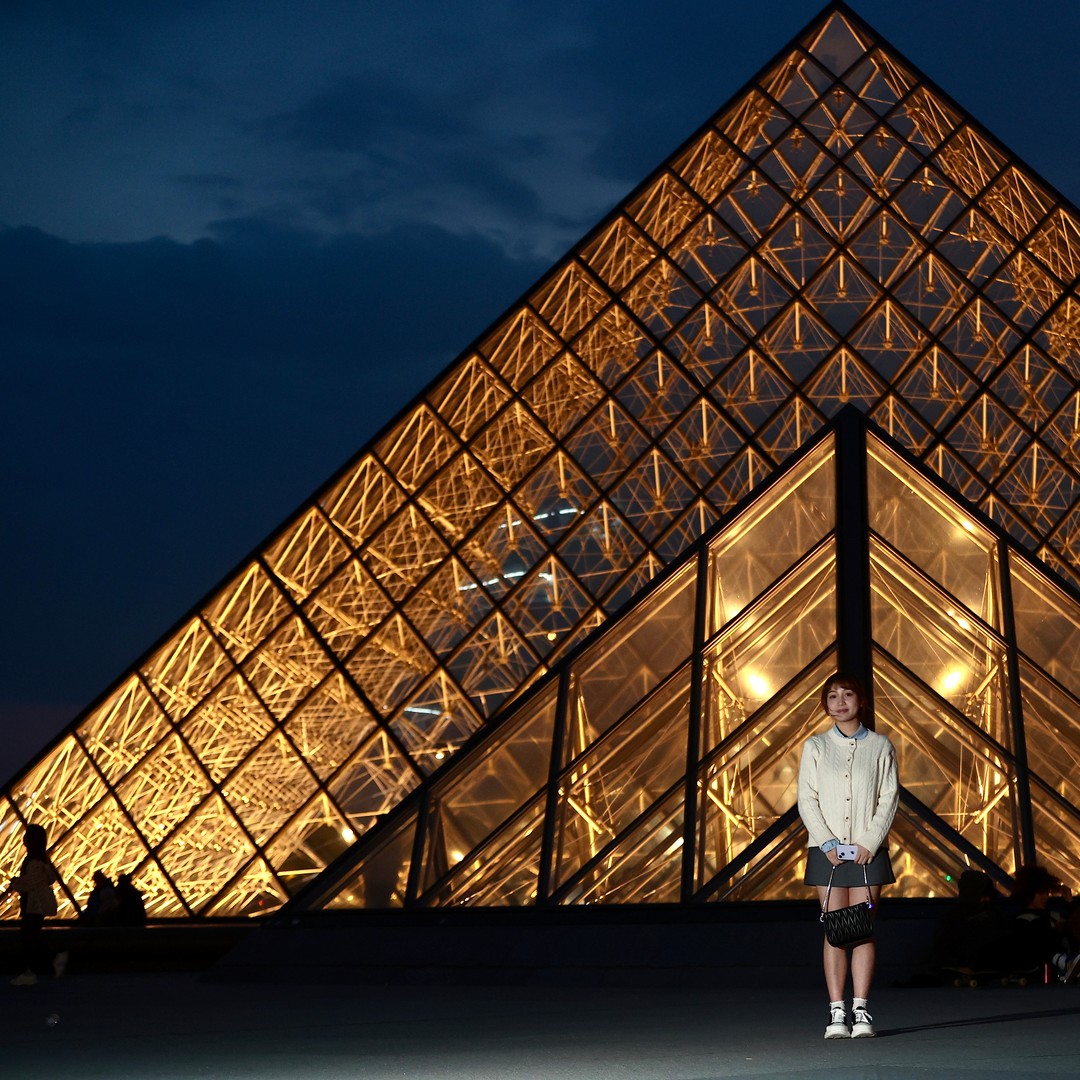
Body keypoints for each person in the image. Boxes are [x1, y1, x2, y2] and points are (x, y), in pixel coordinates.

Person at [798, 671, 898, 1040]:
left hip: (868, 853)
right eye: (832, 696)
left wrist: (870, 841)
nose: (840, 702)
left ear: (861, 700)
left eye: (848, 694)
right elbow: (806, 798)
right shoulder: (815, 746)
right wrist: (826, 842)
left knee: (863, 930)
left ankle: (861, 1008)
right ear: (825, 704)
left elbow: (889, 797)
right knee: (835, 930)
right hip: (827, 853)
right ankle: (836, 1011)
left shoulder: (881, 746)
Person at [1, 823, 69, 986]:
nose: (23, 838)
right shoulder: (42, 858)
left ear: (31, 840)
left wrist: (16, 883)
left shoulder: (32, 860)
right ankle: (43, 965)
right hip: (38, 903)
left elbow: (32, 881)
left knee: (28, 938)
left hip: (33, 903)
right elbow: (48, 878)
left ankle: (34, 969)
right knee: (31, 937)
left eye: (27, 835)